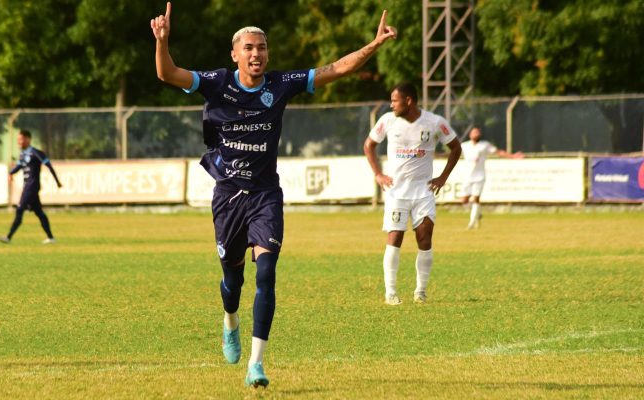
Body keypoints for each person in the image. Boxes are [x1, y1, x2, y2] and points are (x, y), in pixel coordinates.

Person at [150, 2, 397, 388]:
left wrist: (374, 44)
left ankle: (256, 364)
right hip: (228, 195)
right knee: (232, 281)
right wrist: (162, 41)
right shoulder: (217, 81)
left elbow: (336, 69)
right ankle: (230, 320)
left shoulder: (281, 84)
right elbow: (167, 73)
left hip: (266, 194)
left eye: (261, 47)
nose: (256, 53)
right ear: (235, 55)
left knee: (266, 273)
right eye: (248, 48)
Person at [363, 82, 461, 306]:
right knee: (394, 238)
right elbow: (369, 145)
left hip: (423, 192)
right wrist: (378, 174)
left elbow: (455, 147)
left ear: (408, 101)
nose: (391, 105)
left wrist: (443, 177)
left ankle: (421, 291)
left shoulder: (435, 122)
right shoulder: (387, 120)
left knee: (425, 239)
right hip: (396, 192)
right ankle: (390, 292)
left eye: (395, 100)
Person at [0, 129, 62, 244]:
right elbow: (19, 167)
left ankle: (8, 237)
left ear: (28, 139)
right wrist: (10, 173)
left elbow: (49, 166)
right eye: (18, 140)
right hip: (29, 187)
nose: (19, 142)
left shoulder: (36, 153)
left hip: (31, 187)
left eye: (21, 139)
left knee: (20, 209)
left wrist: (57, 182)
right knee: (39, 212)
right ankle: (51, 238)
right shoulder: (23, 154)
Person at [460, 127, 523, 229]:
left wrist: (512, 156)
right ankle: (478, 213)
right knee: (464, 201)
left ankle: (471, 224)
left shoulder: (485, 145)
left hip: (479, 176)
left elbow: (498, 152)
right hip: (467, 176)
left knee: (476, 198)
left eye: (478, 132)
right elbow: (453, 152)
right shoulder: (464, 145)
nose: (476, 134)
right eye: (474, 132)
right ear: (470, 134)